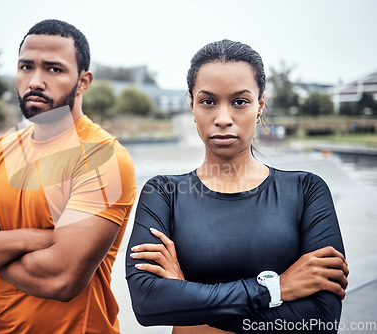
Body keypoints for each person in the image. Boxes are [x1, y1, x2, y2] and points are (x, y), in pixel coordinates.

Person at [125, 40, 348, 334]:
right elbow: (147, 304)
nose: (223, 119)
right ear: (191, 105)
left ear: (260, 106)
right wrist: (273, 290)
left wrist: (186, 296)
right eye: (208, 102)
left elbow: (320, 319)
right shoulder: (163, 194)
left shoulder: (306, 191)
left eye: (240, 101)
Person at [0, 19, 136, 334]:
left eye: (53, 69)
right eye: (26, 67)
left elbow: (62, 278)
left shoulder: (102, 158)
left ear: (83, 81)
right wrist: (34, 239)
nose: (35, 81)